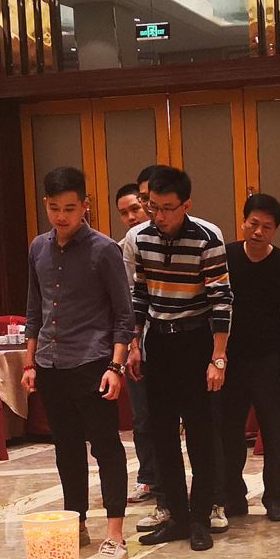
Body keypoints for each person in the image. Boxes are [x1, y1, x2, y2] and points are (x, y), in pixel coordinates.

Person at [22, 166, 134, 559]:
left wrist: (116, 367)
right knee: (66, 449)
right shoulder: (38, 248)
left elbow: (124, 316)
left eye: (70, 208)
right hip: (50, 364)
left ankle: (115, 534)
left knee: (106, 448)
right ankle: (77, 522)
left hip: (93, 363)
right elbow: (34, 310)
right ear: (46, 205)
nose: (62, 216)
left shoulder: (104, 250)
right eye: (54, 208)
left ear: (85, 205)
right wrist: (30, 362)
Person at [123, 165, 231, 548]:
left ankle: (200, 517)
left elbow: (221, 300)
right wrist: (135, 344)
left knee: (200, 434)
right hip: (159, 343)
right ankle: (177, 518)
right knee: (162, 434)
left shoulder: (207, 239)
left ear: (186, 205)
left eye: (168, 208)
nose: (160, 216)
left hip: (196, 341)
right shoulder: (141, 238)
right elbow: (139, 294)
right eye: (153, 206)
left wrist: (218, 358)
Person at [219, 193, 280, 523]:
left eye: (267, 227)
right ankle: (233, 496)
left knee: (274, 431)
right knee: (229, 431)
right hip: (231, 359)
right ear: (243, 222)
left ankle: (275, 497)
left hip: (270, 359)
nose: (258, 232)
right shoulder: (225, 257)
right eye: (253, 223)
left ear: (275, 230)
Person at [116, 175, 162, 516]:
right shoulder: (118, 251)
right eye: (124, 212)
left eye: (136, 208)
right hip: (136, 343)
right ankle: (148, 476)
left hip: (169, 339)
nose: (132, 216)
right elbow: (123, 302)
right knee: (143, 416)